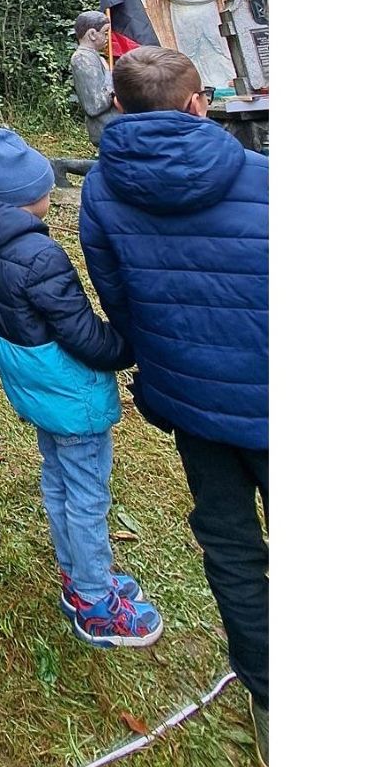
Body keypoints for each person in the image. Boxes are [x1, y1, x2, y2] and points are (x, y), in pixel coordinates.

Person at [80, 45, 271, 707]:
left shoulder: (101, 189)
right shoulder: (265, 177)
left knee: (229, 543)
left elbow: (116, 295)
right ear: (198, 104)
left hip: (187, 392)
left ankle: (266, 690)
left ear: (118, 106)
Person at [0, 126, 163, 648]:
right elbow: (81, 334)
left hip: (36, 388)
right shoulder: (39, 255)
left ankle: (76, 576)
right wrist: (127, 347)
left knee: (59, 481)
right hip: (69, 392)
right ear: (36, 194)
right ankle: (96, 602)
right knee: (88, 494)